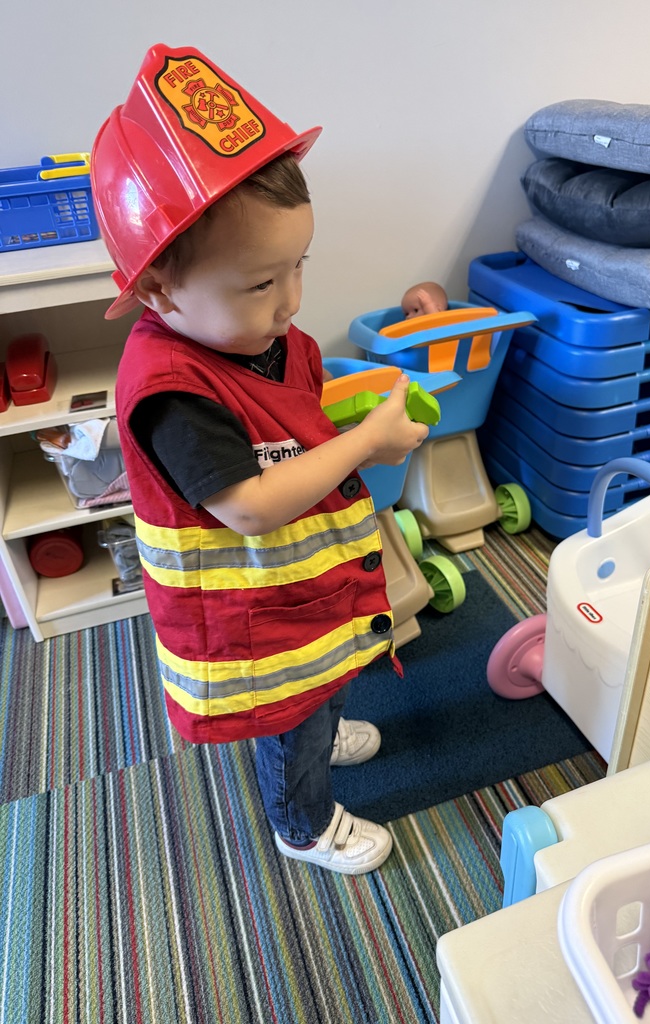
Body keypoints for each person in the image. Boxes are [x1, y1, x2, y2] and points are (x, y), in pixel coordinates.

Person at [90, 44, 430, 875]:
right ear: (160, 290)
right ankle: (302, 823)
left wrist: (345, 410)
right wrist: (366, 442)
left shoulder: (267, 340)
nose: (291, 301)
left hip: (304, 597)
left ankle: (313, 731)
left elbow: (291, 417)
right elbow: (246, 504)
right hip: (250, 620)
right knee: (290, 720)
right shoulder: (172, 387)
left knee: (321, 688)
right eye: (258, 285)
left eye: (297, 268)